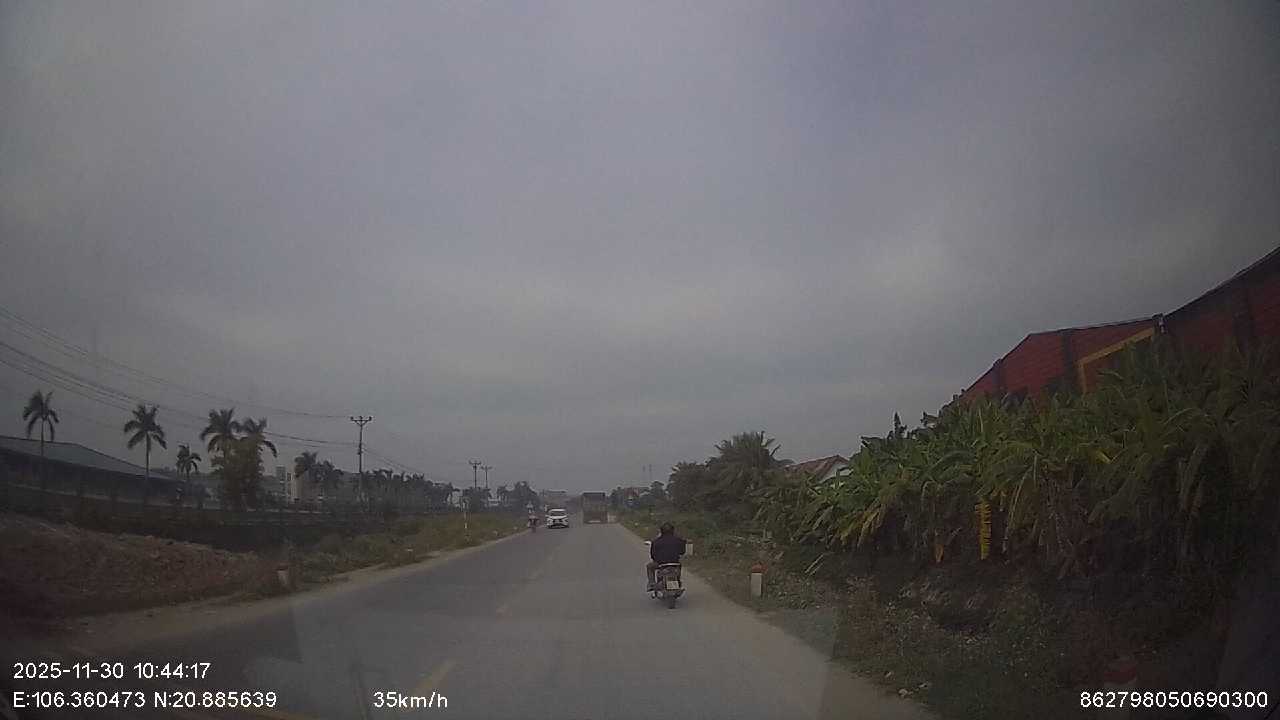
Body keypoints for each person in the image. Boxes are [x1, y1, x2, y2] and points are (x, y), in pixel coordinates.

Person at [646, 522, 686, 590]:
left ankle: (651, 583)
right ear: (673, 530)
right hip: (675, 563)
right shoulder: (679, 540)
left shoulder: (656, 541)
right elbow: (682, 552)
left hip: (661, 564)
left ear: (661, 531)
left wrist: (658, 559)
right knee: (679, 566)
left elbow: (653, 555)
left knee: (649, 566)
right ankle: (678, 580)